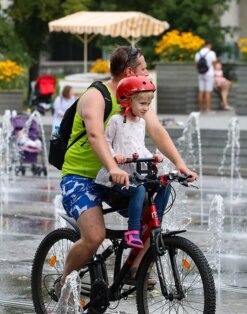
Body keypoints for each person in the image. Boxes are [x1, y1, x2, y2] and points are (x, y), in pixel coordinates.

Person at [56, 46, 197, 298]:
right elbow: (95, 135)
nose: (147, 73)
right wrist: (111, 166)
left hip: (117, 177)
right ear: (130, 71)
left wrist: (180, 164)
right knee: (95, 235)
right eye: (144, 68)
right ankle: (64, 280)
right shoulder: (96, 96)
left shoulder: (136, 97)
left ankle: (135, 266)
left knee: (154, 205)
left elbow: (157, 131)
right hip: (81, 178)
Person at [95, 76, 164, 249]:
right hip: (115, 176)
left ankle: (152, 222)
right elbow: (105, 142)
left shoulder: (141, 123)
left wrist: (152, 155)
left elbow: (138, 147)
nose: (146, 108)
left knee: (163, 183)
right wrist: (114, 156)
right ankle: (133, 230)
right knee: (138, 189)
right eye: (142, 103)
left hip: (134, 173)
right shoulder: (116, 121)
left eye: (148, 104)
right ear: (126, 100)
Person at [195, 42, 217, 112]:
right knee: (208, 92)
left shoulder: (198, 53)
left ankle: (200, 109)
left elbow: (196, 64)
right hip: (209, 73)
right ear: (209, 45)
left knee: (201, 91)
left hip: (201, 74)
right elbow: (214, 63)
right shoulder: (211, 53)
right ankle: (208, 109)